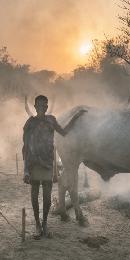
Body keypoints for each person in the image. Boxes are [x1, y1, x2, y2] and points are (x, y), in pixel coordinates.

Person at [22, 95, 86, 238]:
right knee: (34, 196)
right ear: (35, 106)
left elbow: (63, 132)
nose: (42, 108)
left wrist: (75, 118)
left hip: (48, 163)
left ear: (46, 106)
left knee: (47, 198)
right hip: (33, 164)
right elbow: (25, 147)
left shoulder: (51, 120)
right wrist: (25, 171)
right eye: (39, 105)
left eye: (45, 105)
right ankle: (38, 225)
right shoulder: (30, 123)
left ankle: (45, 223)